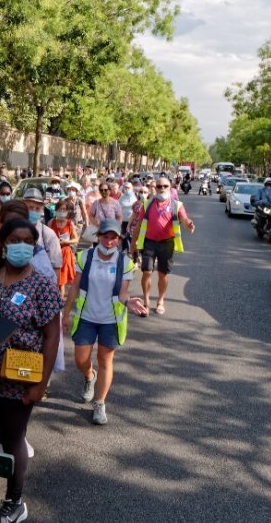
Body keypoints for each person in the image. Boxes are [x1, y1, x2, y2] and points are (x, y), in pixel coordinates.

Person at [0, 218, 63, 523]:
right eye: (14, 239)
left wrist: (40, 385)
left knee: (12, 439)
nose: (20, 246)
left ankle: (14, 502)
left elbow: (52, 336)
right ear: (4, 243)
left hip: (18, 379)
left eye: (27, 241)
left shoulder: (41, 284)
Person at [63, 220, 139, 424]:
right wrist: (65, 313)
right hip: (86, 317)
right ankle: (89, 376)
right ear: (98, 237)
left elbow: (123, 294)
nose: (109, 241)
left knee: (105, 360)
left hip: (110, 320)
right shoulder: (85, 257)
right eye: (105, 236)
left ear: (119, 240)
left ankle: (100, 403)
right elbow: (74, 287)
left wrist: (129, 302)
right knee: (80, 359)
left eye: (113, 237)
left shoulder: (125, 263)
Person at [135, 174, 195, 316]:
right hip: (149, 242)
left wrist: (189, 224)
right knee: (147, 272)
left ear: (170, 187)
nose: (162, 188)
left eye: (165, 186)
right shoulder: (147, 204)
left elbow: (184, 218)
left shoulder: (176, 204)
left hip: (166, 243)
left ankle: (161, 301)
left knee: (163, 274)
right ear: (155, 188)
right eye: (159, 186)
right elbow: (138, 225)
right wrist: (133, 244)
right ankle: (146, 301)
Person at [22, 187, 62, 280]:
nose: (33, 211)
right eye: (30, 208)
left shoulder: (48, 235)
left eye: (37, 208)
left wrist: (52, 291)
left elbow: (56, 268)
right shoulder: (12, 230)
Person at [49, 196, 78, 293]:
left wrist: (66, 242)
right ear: (56, 210)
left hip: (65, 254)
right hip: (53, 254)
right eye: (59, 209)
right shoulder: (51, 222)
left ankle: (60, 302)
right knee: (53, 280)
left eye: (64, 209)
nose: (62, 211)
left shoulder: (70, 223)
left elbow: (76, 239)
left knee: (61, 282)